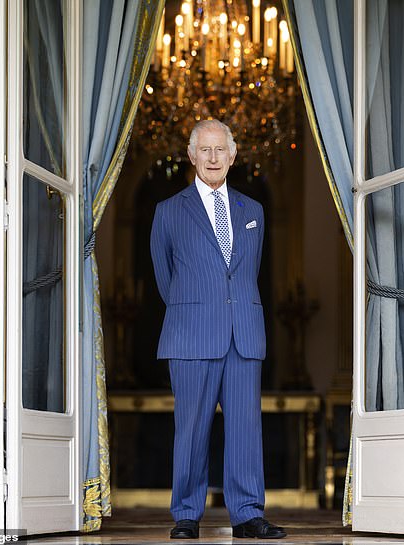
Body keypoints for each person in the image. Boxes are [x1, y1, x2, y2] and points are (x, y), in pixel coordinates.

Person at [150, 119, 286, 540]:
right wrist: (196, 309)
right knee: (191, 428)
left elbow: (248, 272)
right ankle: (187, 514)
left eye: (219, 150)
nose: (212, 158)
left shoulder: (253, 212)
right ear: (191, 156)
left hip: (243, 333)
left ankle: (246, 514)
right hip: (191, 333)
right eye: (204, 150)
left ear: (232, 155)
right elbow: (163, 276)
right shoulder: (169, 211)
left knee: (246, 427)